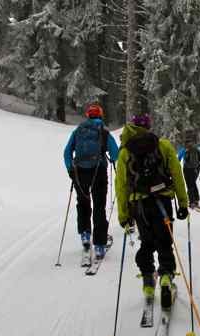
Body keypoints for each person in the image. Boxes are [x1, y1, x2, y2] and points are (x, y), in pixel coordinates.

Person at [115, 113, 189, 308]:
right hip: (162, 201)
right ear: (148, 127)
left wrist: (124, 216)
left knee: (147, 241)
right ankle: (165, 277)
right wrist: (183, 203)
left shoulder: (125, 152)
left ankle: (148, 280)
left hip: (139, 205)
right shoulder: (163, 145)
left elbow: (121, 186)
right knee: (165, 240)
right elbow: (177, 175)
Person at [64, 104, 119, 259]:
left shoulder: (78, 131)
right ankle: (100, 245)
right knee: (99, 207)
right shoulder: (104, 132)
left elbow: (67, 152)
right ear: (100, 116)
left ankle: (85, 235)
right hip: (99, 172)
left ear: (88, 116)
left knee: (82, 203)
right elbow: (115, 154)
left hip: (80, 173)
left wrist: (70, 169)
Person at [177, 129, 200, 209]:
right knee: (193, 183)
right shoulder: (197, 148)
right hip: (196, 168)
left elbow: (178, 159)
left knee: (190, 185)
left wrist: (176, 167)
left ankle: (192, 202)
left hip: (187, 169)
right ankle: (196, 200)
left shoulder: (184, 148)